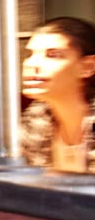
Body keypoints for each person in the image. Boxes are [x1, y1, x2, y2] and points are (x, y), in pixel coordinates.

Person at [20, 16, 95, 172]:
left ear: (87, 67)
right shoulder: (37, 116)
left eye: (53, 55)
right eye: (30, 54)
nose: (32, 64)